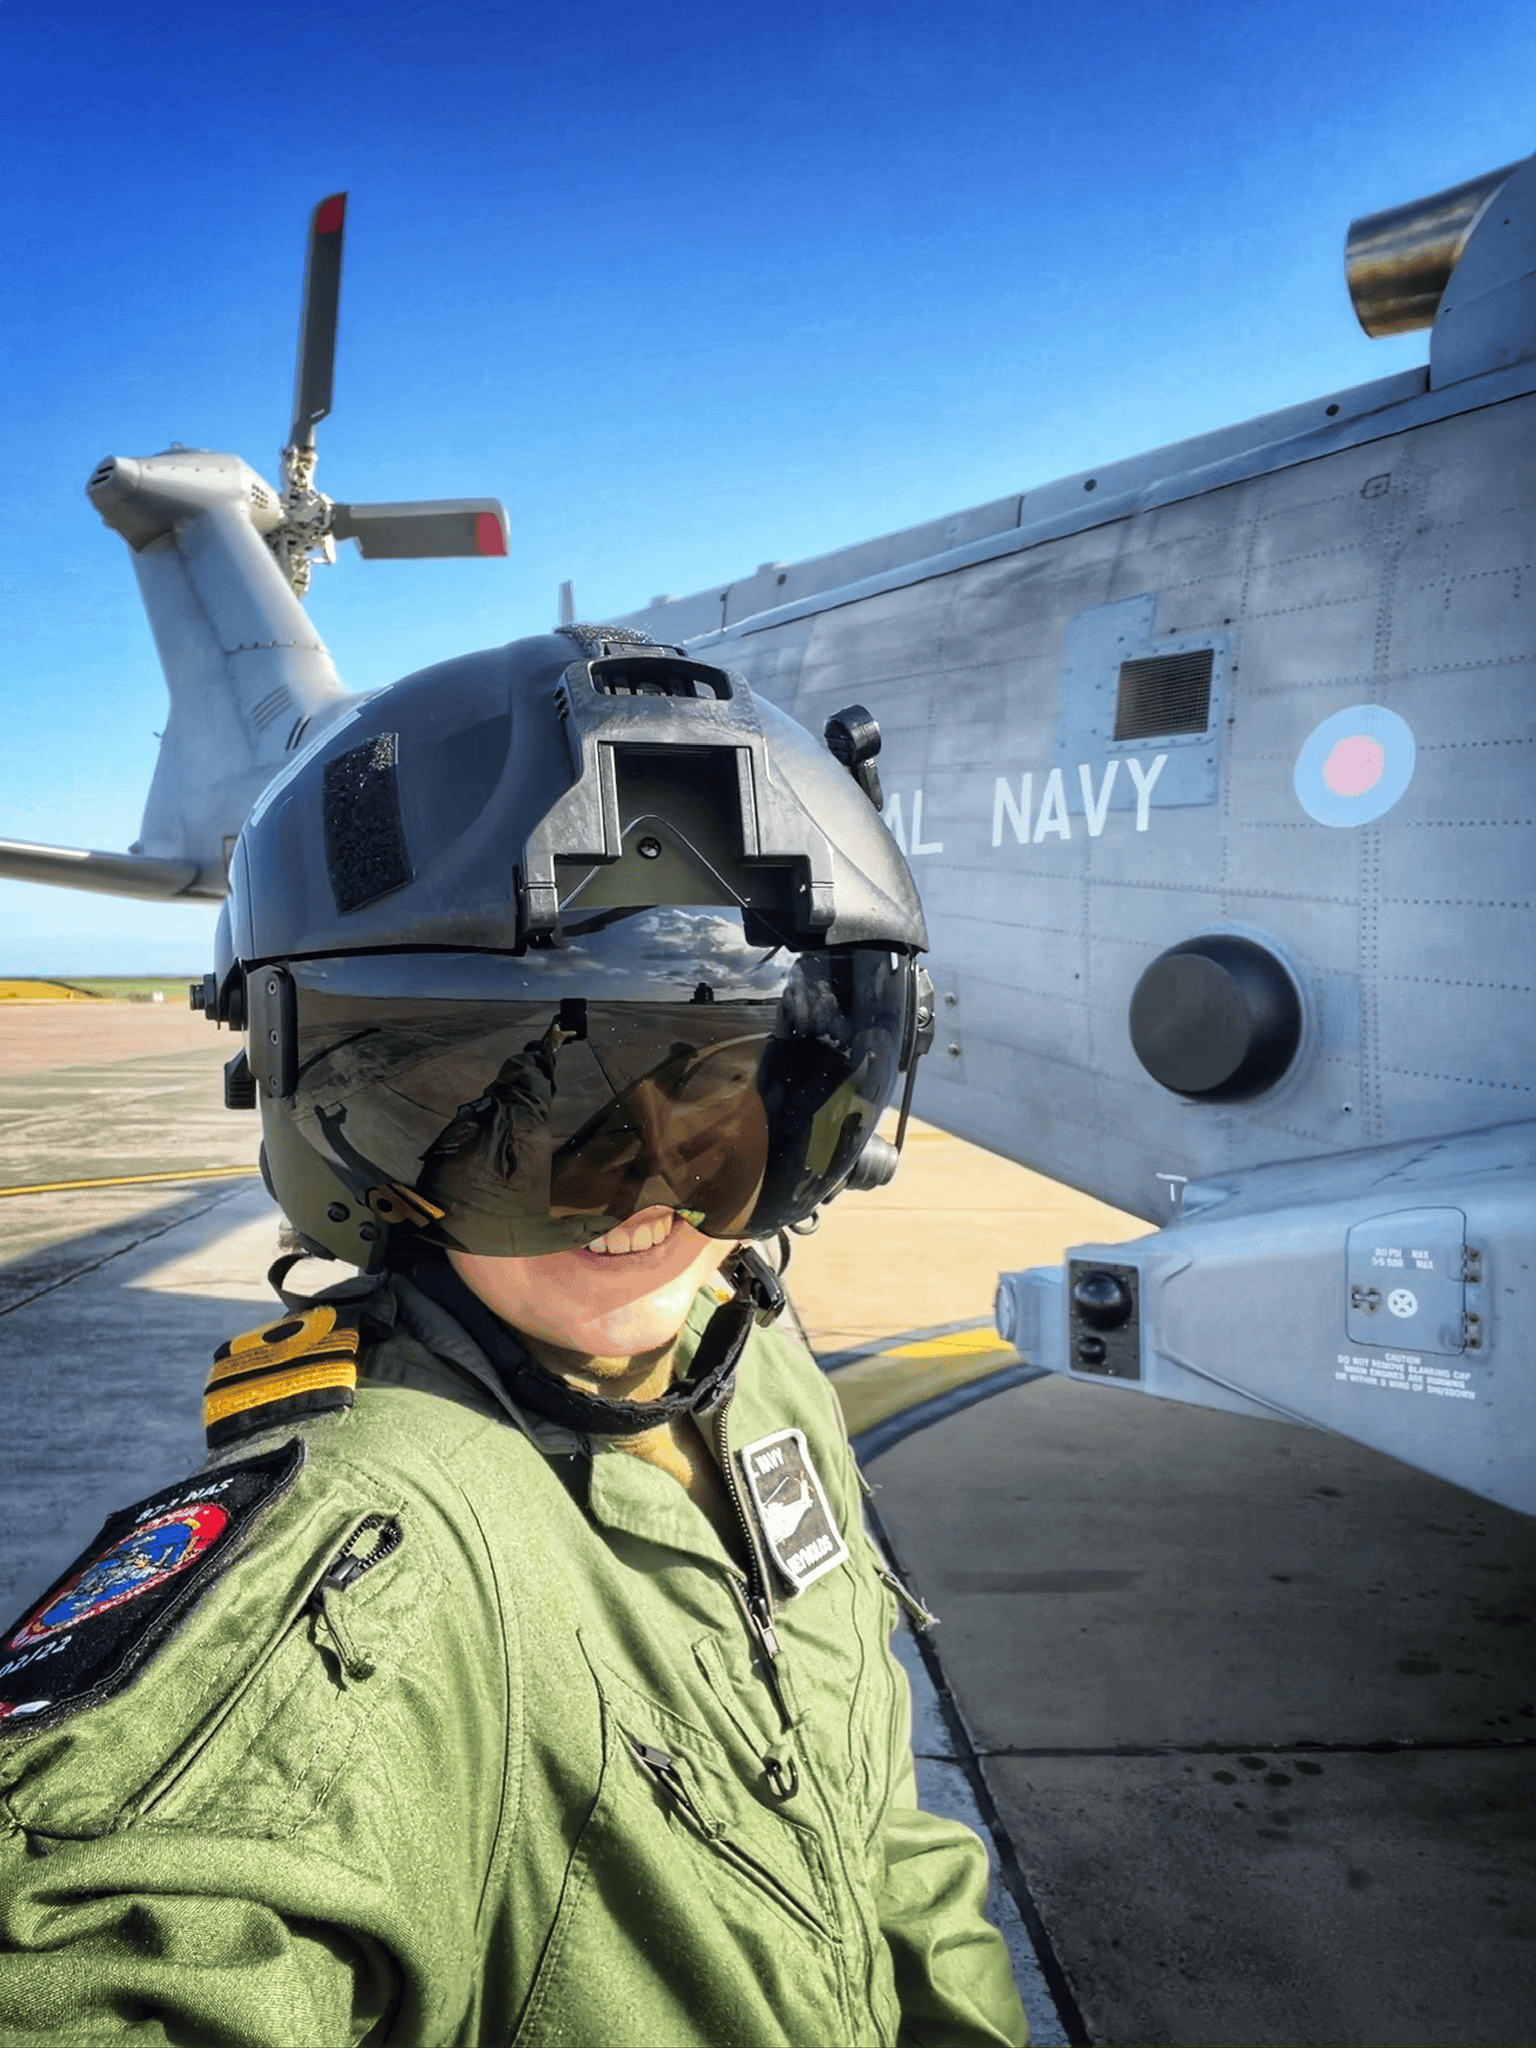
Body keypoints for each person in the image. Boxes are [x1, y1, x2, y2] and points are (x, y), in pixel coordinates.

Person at [0, 628, 1029, 2048]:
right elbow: (111, 1941)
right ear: (355, 1135)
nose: (655, 1202)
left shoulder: (754, 1368)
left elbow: (881, 1826)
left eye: (722, 1101)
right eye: (532, 1124)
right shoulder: (369, 1547)